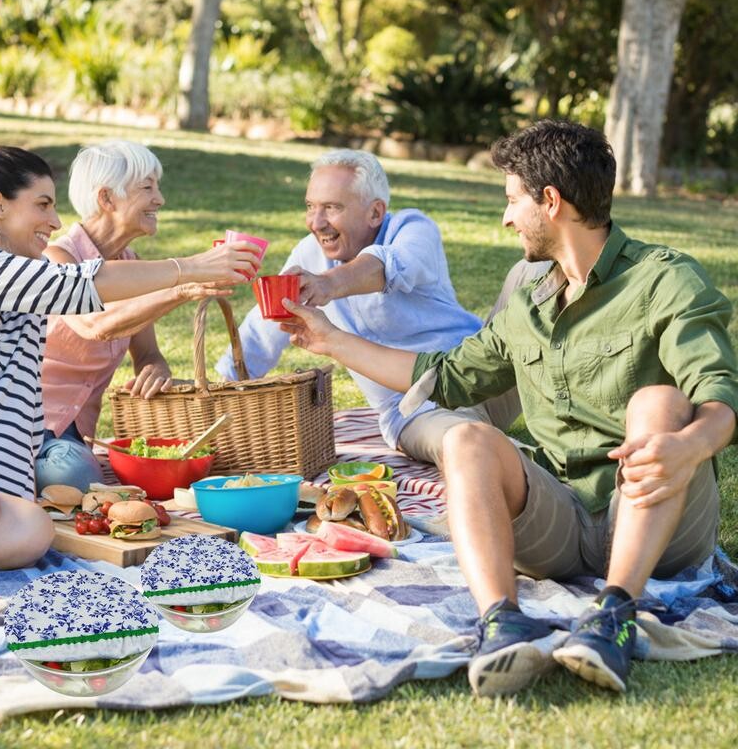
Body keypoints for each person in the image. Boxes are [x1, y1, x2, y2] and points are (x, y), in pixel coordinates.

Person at [277, 121, 738, 696]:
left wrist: (689, 445)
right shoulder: (530, 300)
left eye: (512, 200)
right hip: (565, 520)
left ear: (550, 201)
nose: (505, 217)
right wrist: (329, 339)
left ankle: (613, 617)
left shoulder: (665, 280)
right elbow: (440, 377)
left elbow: (721, 394)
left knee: (660, 401)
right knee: (464, 440)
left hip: (659, 521)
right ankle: (502, 623)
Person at [0, 147, 260, 574]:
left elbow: (22, 411)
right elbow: (77, 288)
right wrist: (192, 268)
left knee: (33, 529)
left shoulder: (26, 298)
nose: (54, 222)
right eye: (43, 205)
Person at [215, 149, 548, 467]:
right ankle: (540, 472)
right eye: (310, 206)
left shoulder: (413, 228)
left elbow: (389, 266)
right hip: (416, 410)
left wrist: (328, 283)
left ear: (375, 212)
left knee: (536, 270)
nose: (316, 222)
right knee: (469, 445)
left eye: (331, 208)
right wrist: (218, 392)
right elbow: (261, 331)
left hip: (485, 373)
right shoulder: (308, 255)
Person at [36, 140, 227, 493]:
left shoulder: (129, 262)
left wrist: (156, 368)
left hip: (78, 434)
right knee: (75, 480)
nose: (160, 199)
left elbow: (147, 353)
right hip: (32, 427)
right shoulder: (57, 258)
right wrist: (181, 287)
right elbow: (94, 324)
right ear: (107, 199)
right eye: (147, 187)